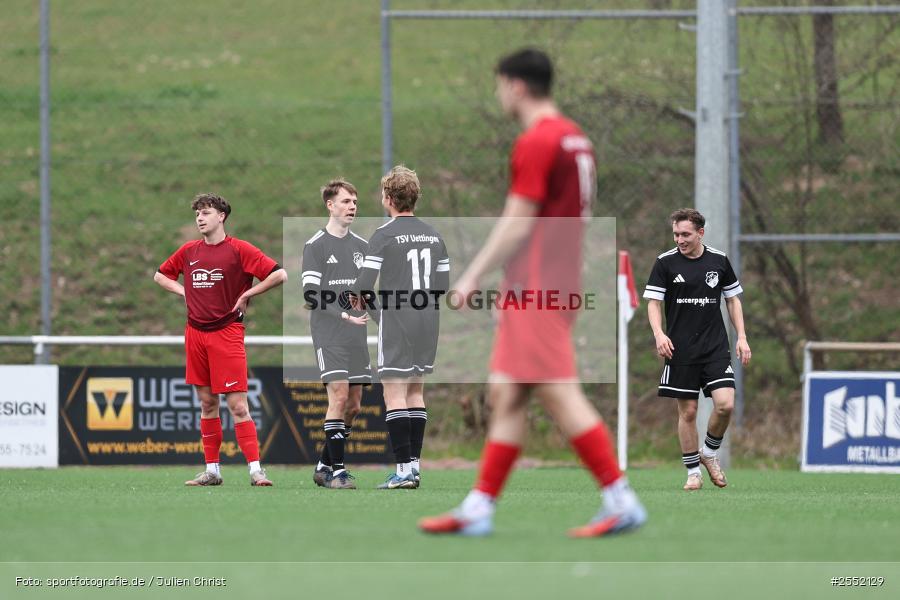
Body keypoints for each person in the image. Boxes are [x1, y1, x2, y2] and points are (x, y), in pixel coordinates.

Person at [419, 48, 646, 537]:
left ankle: (620, 498)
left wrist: (473, 274)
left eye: (500, 84)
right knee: (508, 392)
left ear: (516, 85)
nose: (499, 93)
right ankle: (479, 507)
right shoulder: (574, 138)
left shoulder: (538, 140)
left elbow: (519, 220)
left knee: (559, 394)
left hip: (539, 284)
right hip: (549, 280)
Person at [154, 193, 287, 487]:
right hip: (195, 333)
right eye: (197, 214)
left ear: (221, 216)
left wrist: (248, 294)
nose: (200, 218)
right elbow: (160, 275)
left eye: (206, 212)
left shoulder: (239, 249)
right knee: (206, 403)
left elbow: (280, 275)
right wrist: (184, 292)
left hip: (226, 333)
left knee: (238, 405)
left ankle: (256, 471)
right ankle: (212, 470)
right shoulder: (189, 251)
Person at [642, 208, 751, 491]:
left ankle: (710, 453)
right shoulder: (665, 263)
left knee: (725, 404)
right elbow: (653, 302)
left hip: (714, 347)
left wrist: (742, 337)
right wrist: (658, 334)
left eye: (686, 234)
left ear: (700, 233)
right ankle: (693, 472)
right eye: (676, 234)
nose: (680, 239)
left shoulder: (719, 260)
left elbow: (733, 300)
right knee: (688, 412)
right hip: (680, 349)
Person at [355, 166, 450, 490]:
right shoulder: (435, 235)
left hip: (398, 317)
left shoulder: (383, 235)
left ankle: (403, 471)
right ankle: (415, 467)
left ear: (387, 198)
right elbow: (442, 286)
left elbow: (364, 286)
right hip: (428, 319)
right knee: (415, 391)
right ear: (415, 197)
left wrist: (382, 317)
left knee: (393, 391)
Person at [301, 179, 372, 490]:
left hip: (357, 334)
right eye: (345, 201)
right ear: (330, 205)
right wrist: (342, 313)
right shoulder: (315, 245)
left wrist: (389, 324)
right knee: (339, 396)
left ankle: (324, 463)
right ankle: (339, 473)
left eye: (354, 201)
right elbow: (311, 294)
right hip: (329, 333)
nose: (352, 206)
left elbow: (367, 294)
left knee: (354, 405)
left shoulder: (362, 247)